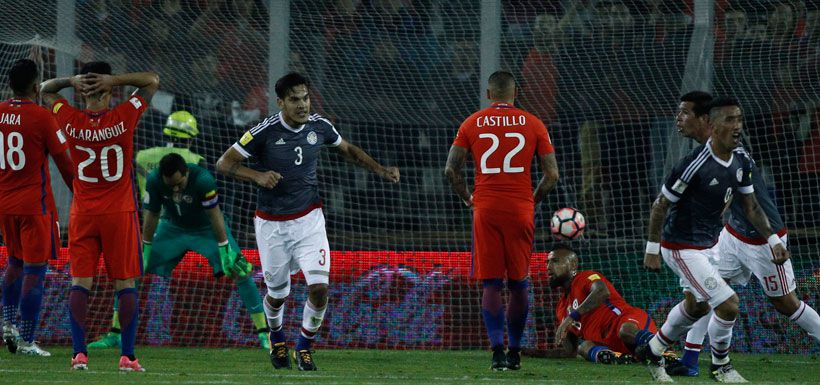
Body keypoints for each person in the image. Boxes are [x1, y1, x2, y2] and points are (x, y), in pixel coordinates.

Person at [216, 72, 399, 371]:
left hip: (309, 220)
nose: (302, 105)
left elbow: (349, 150)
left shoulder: (319, 126)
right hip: (271, 225)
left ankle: (303, 348)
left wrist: (380, 170)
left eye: (305, 98)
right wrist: (257, 176)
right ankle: (277, 338)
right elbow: (224, 163)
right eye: (294, 100)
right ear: (281, 102)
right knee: (277, 295)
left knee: (319, 288)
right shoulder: (264, 131)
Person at [640, 97, 789, 383]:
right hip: (681, 247)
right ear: (712, 125)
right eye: (729, 120)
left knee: (697, 307)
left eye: (739, 119)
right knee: (729, 303)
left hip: (709, 244)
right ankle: (721, 366)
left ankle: (654, 349)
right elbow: (661, 204)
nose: (737, 126)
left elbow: (751, 207)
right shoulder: (694, 164)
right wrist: (652, 249)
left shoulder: (741, 160)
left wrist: (773, 239)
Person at [671, 93, 820, 377]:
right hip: (734, 234)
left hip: (762, 238)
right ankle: (689, 361)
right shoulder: (708, 151)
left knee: (786, 304)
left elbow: (727, 200)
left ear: (705, 121)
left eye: (684, 113)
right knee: (706, 289)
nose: (679, 119)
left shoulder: (731, 152)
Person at [41, 62, 159, 371]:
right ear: (112, 89)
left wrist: (72, 80)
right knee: (125, 284)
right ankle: (128, 356)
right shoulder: (124, 116)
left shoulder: (70, 119)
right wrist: (114, 79)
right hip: (119, 213)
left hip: (83, 213)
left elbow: (45, 90)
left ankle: (79, 354)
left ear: (82, 91)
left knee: (80, 283)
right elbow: (152, 80)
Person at [444, 70, 559, 371]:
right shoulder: (534, 123)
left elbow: (450, 171)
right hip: (520, 209)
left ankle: (497, 352)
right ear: (515, 92)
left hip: (487, 208)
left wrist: (468, 198)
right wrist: (531, 200)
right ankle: (516, 351)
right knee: (519, 284)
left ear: (488, 94)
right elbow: (552, 175)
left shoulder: (472, 122)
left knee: (492, 284)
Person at [87, 110, 205, 349]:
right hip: (181, 230)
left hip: (145, 227)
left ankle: (116, 331)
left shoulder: (142, 156)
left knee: (130, 278)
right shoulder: (196, 161)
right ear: (191, 136)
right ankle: (260, 333)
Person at [0, 59, 74, 356]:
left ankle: (7, 323)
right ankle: (28, 340)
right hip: (34, 206)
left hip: (4, 205)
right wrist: (82, 195)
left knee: (15, 263)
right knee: (35, 270)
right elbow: (65, 165)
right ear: (36, 86)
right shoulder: (43, 118)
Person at [533, 244, 660, 365]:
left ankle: (663, 350)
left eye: (555, 261)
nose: (548, 266)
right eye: (547, 262)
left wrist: (572, 316)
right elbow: (569, 352)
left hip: (630, 323)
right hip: (610, 345)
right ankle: (614, 357)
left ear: (573, 265)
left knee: (625, 330)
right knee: (584, 347)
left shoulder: (584, 277)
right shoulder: (561, 308)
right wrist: (532, 352)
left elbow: (602, 291)